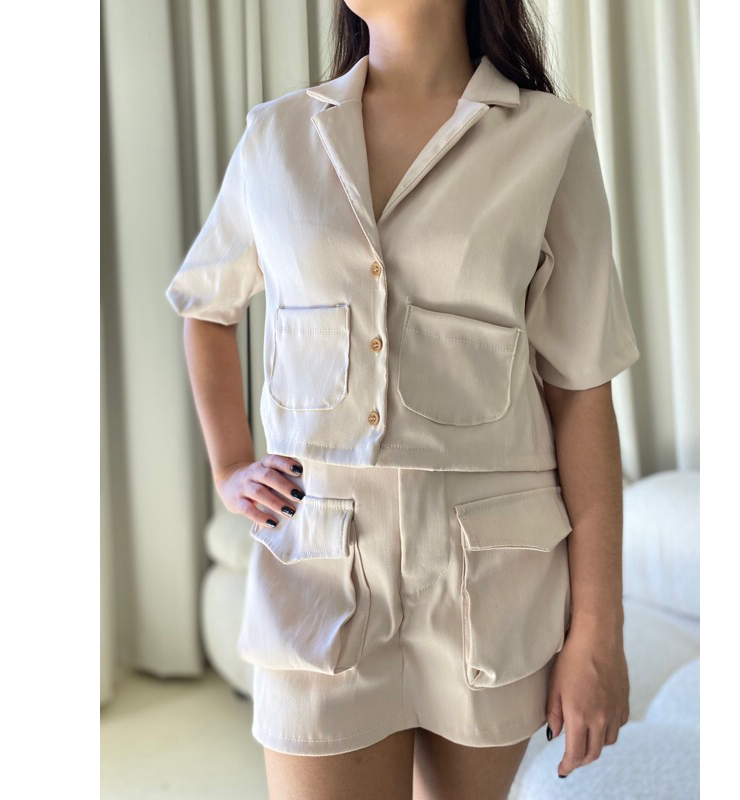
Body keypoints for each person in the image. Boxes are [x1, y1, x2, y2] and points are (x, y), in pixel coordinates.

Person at [165, 1, 640, 797]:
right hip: (318, 567)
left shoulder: (549, 139)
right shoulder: (277, 136)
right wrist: (229, 466)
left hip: (491, 579)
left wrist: (598, 628)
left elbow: (582, 389)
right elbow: (205, 307)